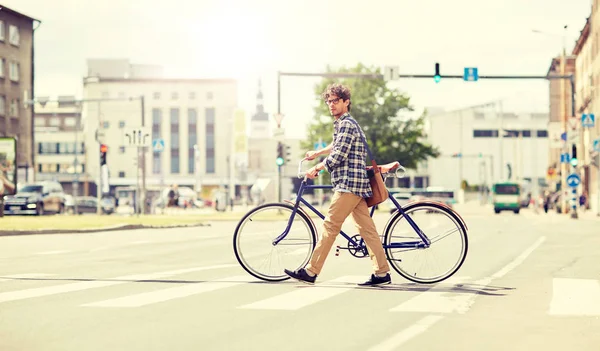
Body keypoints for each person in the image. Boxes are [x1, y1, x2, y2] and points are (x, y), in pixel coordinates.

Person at [284, 83, 391, 287]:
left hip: (349, 184)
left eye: (335, 101)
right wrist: (318, 153)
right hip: (356, 184)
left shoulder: (347, 124)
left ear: (346, 102)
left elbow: (339, 155)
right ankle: (382, 272)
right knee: (367, 230)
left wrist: (317, 168)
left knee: (330, 226)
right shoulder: (346, 124)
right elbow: (337, 145)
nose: (331, 105)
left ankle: (311, 271)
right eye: (329, 101)